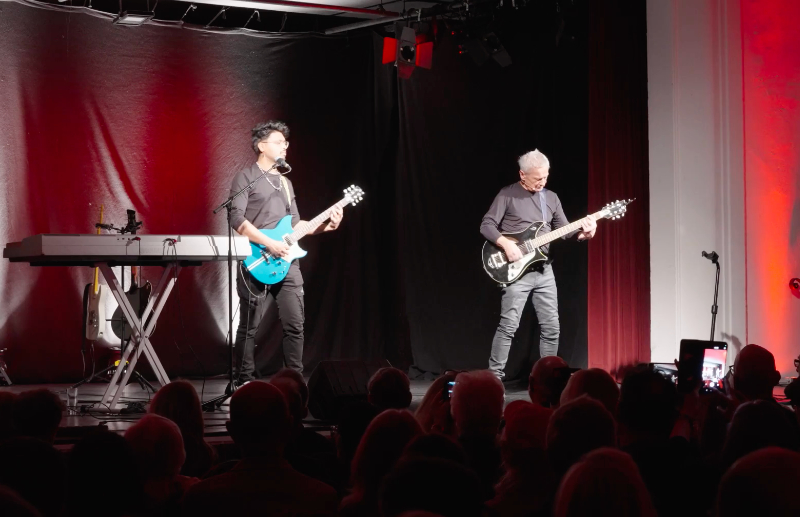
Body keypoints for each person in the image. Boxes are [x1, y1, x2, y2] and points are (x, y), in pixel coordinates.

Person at [229, 121, 344, 386]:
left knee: (295, 325)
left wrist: (327, 225)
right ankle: (245, 382)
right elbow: (236, 219)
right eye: (279, 141)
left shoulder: (286, 183)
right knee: (249, 327)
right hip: (255, 257)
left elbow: (295, 225)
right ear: (261, 146)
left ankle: (293, 382)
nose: (285, 146)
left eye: (286, 142)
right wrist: (268, 243)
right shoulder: (245, 178)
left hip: (287, 261)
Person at [480, 149, 597, 379]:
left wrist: (584, 233)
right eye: (537, 178)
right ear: (522, 175)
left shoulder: (550, 198)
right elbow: (486, 225)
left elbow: (564, 231)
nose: (542, 182)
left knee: (552, 327)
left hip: (544, 270)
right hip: (516, 272)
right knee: (508, 326)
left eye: (545, 177)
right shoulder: (508, 195)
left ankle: (548, 377)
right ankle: (494, 378)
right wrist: (506, 243)